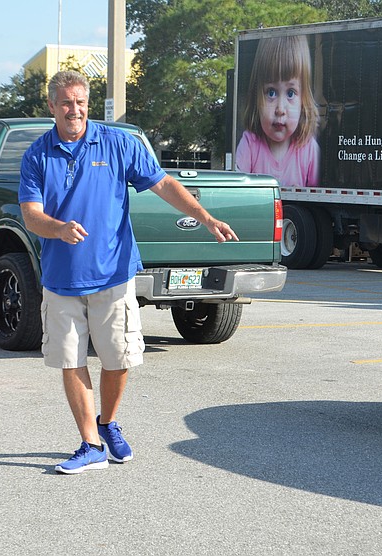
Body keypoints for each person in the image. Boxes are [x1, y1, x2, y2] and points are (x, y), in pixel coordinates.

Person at [19, 70, 239, 474]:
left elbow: (164, 185)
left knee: (118, 359)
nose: (75, 110)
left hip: (114, 273)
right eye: (66, 102)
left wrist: (206, 218)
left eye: (81, 101)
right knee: (71, 361)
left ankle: (107, 423)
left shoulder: (118, 143)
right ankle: (90, 444)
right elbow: (31, 215)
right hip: (61, 279)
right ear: (51, 106)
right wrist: (58, 228)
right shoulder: (36, 155)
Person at [235, 35, 320, 188]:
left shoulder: (309, 149)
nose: (280, 109)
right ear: (257, 98)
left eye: (290, 93)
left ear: (303, 100)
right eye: (271, 92)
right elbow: (238, 192)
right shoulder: (250, 144)